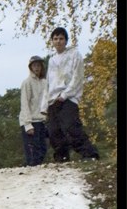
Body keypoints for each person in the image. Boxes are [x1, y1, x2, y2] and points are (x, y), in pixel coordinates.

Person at [43, 27, 99, 162]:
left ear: (66, 40)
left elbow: (77, 77)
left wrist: (65, 94)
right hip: (53, 99)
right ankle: (62, 157)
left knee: (71, 127)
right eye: (55, 39)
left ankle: (90, 154)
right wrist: (44, 104)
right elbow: (49, 83)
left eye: (61, 38)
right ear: (52, 41)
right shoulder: (51, 60)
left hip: (69, 98)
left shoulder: (75, 55)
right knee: (54, 131)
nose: (58, 41)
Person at [19, 55, 48, 166]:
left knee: (42, 150)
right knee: (32, 154)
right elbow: (24, 103)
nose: (37, 68)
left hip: (41, 120)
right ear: (30, 67)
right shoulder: (27, 83)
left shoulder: (45, 82)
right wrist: (27, 124)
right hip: (30, 121)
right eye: (34, 65)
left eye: (39, 65)